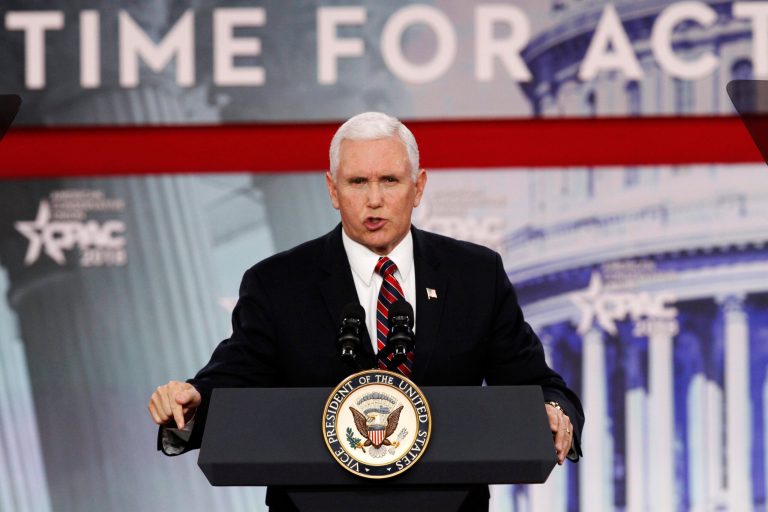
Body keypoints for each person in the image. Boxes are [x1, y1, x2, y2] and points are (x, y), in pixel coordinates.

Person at [148, 111, 583, 511]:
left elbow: (538, 383)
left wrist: (553, 412)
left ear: (420, 187)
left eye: (390, 180)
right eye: (357, 182)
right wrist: (194, 400)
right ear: (333, 191)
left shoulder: (474, 275)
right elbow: (235, 375)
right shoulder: (278, 283)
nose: (374, 200)